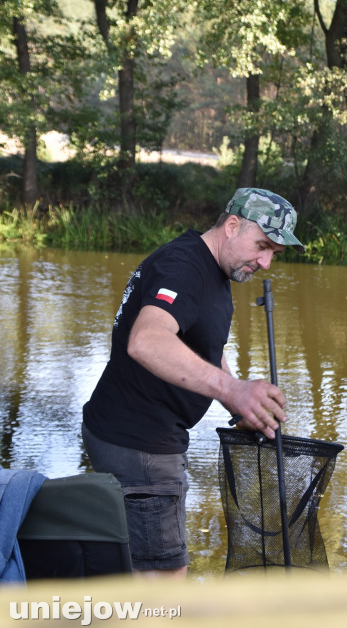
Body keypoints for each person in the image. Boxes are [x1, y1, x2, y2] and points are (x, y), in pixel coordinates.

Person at [82, 187, 304, 577]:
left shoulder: (208, 266)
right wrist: (233, 390)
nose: (266, 262)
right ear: (232, 226)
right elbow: (147, 340)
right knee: (165, 578)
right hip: (140, 446)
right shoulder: (184, 267)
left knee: (140, 568)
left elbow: (202, 341)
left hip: (131, 432)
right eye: (263, 246)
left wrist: (236, 402)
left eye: (275, 254)